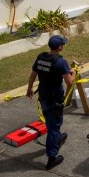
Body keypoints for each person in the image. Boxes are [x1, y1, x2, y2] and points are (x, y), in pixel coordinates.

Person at [27, 35, 75, 170]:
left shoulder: (41, 57)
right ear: (60, 47)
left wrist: (29, 88)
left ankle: (58, 138)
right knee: (54, 127)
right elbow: (69, 82)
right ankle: (52, 157)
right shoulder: (61, 62)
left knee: (50, 119)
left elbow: (33, 74)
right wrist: (74, 72)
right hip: (54, 98)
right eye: (62, 45)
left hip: (43, 94)